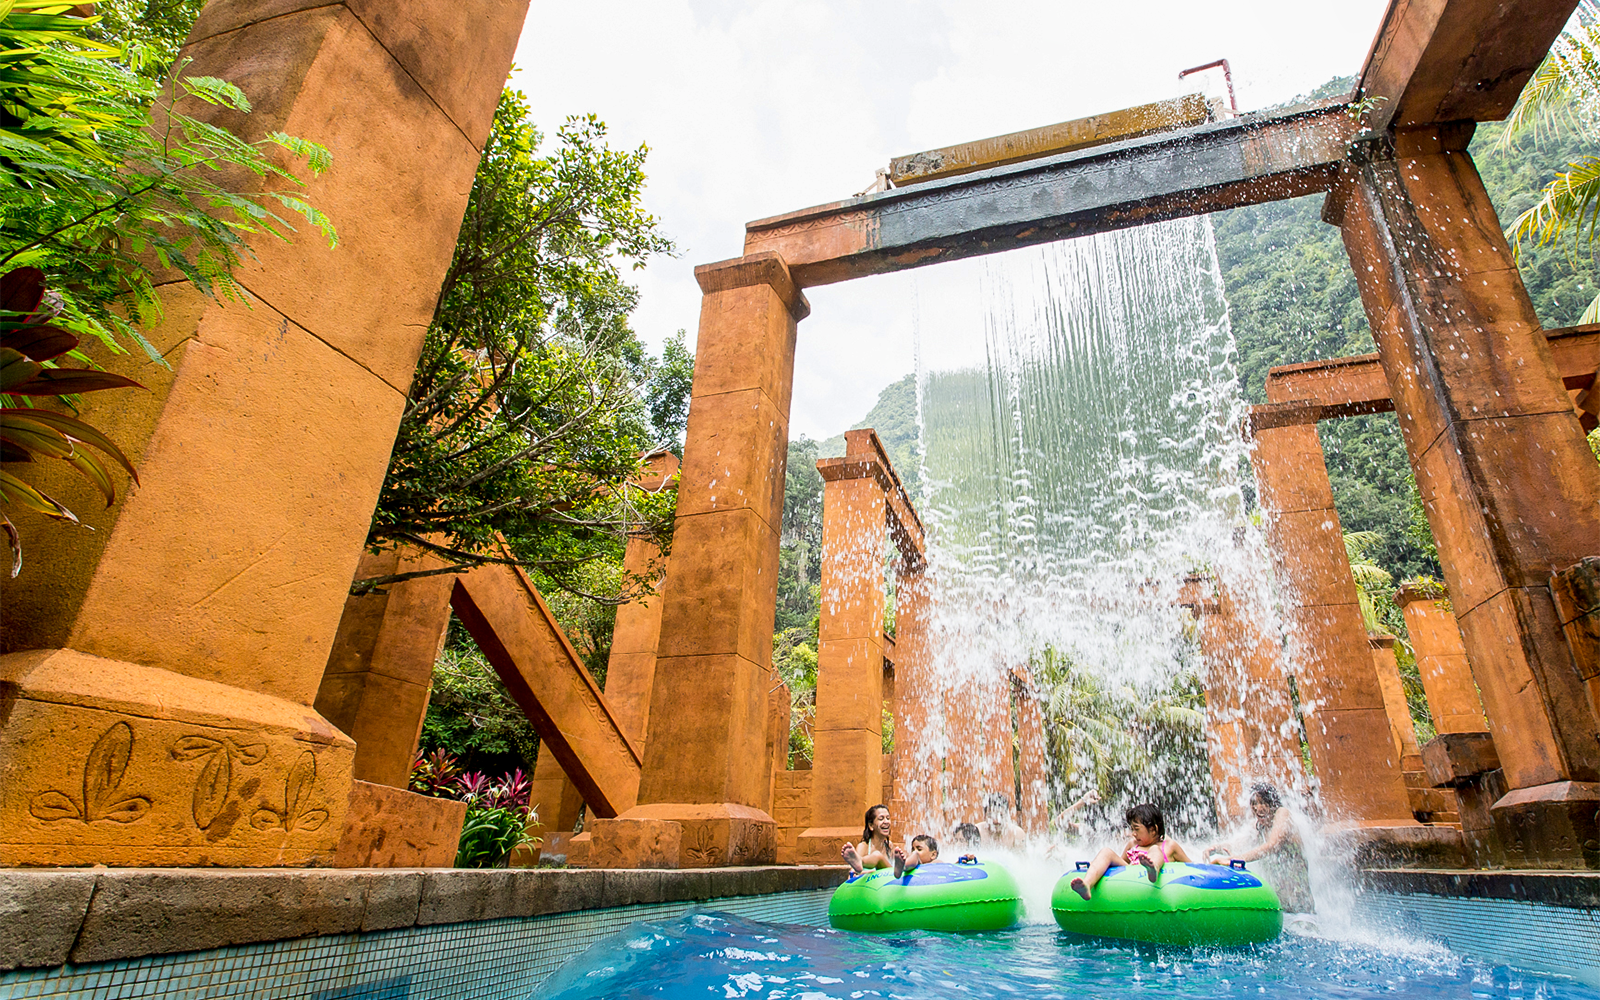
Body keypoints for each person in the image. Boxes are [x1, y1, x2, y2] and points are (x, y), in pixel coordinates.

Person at [1205, 784, 1313, 912]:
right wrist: (1216, 848)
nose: (1258, 808)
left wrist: (1236, 859)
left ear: (1272, 803)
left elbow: (1273, 845)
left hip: (1300, 905)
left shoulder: (1282, 814)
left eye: (1262, 803)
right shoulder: (1259, 826)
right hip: (1279, 907)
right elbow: (1239, 843)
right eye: (1254, 804)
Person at [1068, 803, 1192, 901]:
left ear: (1153, 830)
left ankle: (1152, 867)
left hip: (1157, 883)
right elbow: (1121, 864)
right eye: (1132, 829)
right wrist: (1097, 864)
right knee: (1106, 852)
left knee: (1155, 849)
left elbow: (1192, 867)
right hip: (1133, 878)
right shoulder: (1132, 845)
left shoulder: (1169, 846)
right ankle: (1087, 884)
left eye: (1137, 829)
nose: (1133, 833)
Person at [841, 804, 893, 875]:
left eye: (888, 818)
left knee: (878, 857)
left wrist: (875, 872)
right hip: (869, 884)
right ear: (871, 826)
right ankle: (861, 861)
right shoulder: (863, 847)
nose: (886, 822)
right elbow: (853, 875)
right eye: (881, 819)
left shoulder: (889, 846)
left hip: (888, 882)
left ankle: (862, 861)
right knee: (877, 856)